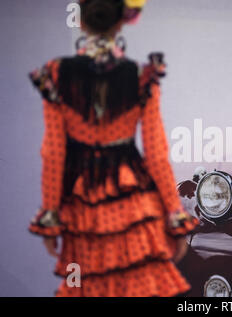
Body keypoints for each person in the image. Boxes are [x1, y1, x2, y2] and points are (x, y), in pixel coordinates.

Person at [28, 0, 198, 297]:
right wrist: (175, 218)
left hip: (83, 208)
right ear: (123, 21)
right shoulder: (141, 77)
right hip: (131, 204)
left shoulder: (56, 75)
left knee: (81, 285)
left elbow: (53, 152)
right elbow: (156, 154)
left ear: (80, 20)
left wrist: (51, 216)